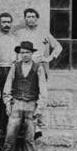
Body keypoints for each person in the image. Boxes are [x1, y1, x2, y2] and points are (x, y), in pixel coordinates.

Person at [1, 41, 48, 151]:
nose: (24, 55)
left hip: (31, 105)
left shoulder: (38, 67)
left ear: (32, 53)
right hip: (16, 104)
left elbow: (43, 89)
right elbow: (8, 86)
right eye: (22, 52)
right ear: (19, 54)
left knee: (29, 138)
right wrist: (8, 103)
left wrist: (39, 108)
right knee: (10, 136)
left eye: (27, 52)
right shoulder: (15, 67)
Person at [16, 8, 62, 138]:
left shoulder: (43, 33)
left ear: (37, 18)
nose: (30, 19)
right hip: (24, 67)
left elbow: (58, 47)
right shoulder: (19, 33)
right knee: (24, 94)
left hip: (38, 67)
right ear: (25, 19)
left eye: (33, 16)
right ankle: (24, 125)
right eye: (28, 17)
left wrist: (48, 59)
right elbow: (16, 51)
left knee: (38, 95)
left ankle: (37, 125)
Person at [0, 12, 19, 139]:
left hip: (12, 70)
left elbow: (18, 56)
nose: (6, 24)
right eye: (4, 22)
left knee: (10, 98)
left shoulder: (15, 39)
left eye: (8, 22)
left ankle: (10, 126)